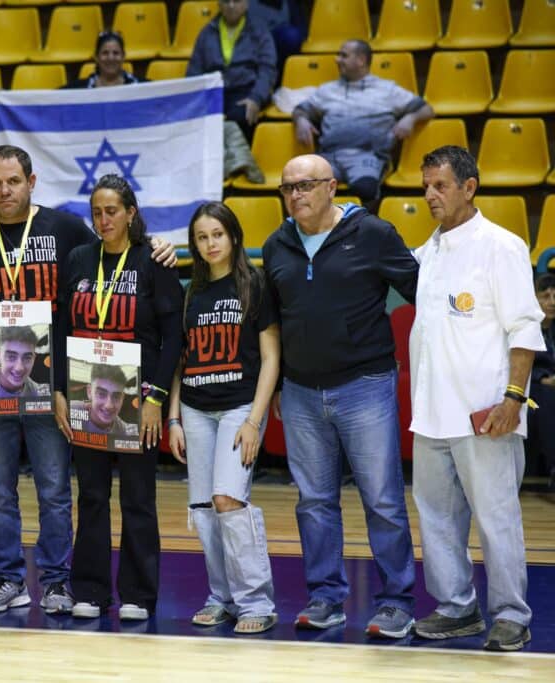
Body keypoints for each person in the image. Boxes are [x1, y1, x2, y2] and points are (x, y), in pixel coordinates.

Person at [0, 145, 176, 614]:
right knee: (1, 492)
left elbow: (121, 255)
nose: (4, 190)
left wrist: (158, 246)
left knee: (58, 491)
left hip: (67, 390)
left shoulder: (66, 231)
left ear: (31, 182)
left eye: (13, 181)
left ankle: (59, 583)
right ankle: (14, 581)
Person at [261, 154, 419, 638]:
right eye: (288, 188)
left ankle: (397, 602)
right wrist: (279, 384)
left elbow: (424, 292)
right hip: (301, 392)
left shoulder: (372, 234)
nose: (296, 195)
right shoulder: (276, 245)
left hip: (365, 387)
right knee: (314, 502)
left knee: (383, 500)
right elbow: (275, 322)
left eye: (306, 185)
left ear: (332, 187)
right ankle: (325, 597)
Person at [409, 145, 544, 652]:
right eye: (426, 186)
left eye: (440, 185)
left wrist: (513, 398)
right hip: (431, 413)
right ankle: (456, 607)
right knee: (437, 519)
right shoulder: (427, 252)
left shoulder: (502, 247)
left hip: (486, 414)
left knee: (496, 518)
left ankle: (511, 614)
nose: (430, 195)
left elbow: (525, 328)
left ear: (469, 187)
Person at [53, 174, 184, 622]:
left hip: (138, 398)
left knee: (137, 498)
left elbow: (173, 336)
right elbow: (62, 329)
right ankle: (90, 590)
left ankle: (138, 594)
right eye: (96, 212)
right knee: (91, 495)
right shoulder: (79, 259)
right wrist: (59, 390)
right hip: (86, 394)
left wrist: (156, 399)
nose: (103, 220)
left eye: (112, 211)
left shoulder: (153, 260)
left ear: (131, 213)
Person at [167, 201, 280, 634]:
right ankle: (222, 597)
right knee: (204, 507)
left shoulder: (255, 284)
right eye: (201, 237)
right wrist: (174, 418)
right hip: (195, 409)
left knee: (228, 499)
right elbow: (181, 361)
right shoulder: (190, 292)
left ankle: (256, 602)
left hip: (239, 407)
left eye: (217, 234)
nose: (210, 243)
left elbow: (271, 358)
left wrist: (254, 420)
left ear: (233, 236)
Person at [292, 39, 433, 206]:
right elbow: (301, 109)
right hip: (329, 157)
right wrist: (301, 120)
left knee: (365, 189)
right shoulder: (327, 90)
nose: (337, 60)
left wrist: (410, 118)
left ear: (361, 60)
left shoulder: (387, 89)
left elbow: (426, 109)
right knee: (305, 188)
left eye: (343, 55)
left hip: (367, 155)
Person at [186, 0, 278, 141]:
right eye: (226, 1)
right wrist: (195, 100)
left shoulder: (259, 30)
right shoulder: (207, 32)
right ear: (219, 5)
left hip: (246, 89)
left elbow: (268, 68)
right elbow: (194, 70)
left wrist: (256, 97)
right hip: (214, 91)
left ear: (246, 3)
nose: (231, 6)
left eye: (236, 1)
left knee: (242, 115)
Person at [528, 273, 555, 492]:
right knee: (546, 397)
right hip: (530, 390)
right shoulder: (526, 329)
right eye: (545, 296)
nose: (552, 302)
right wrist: (543, 378)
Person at [70, 364, 138, 437]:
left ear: (122, 398)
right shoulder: (69, 410)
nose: (109, 405)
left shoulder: (124, 431)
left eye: (116, 396)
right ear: (89, 392)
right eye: (101, 394)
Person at [0, 325, 44, 398]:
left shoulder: (37, 393)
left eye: (27, 358)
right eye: (11, 357)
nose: (19, 368)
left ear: (34, 359)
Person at [64, 31, 144, 89]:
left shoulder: (140, 86)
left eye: (116, 53)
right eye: (105, 53)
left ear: (123, 56)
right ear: (96, 57)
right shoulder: (80, 89)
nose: (111, 58)